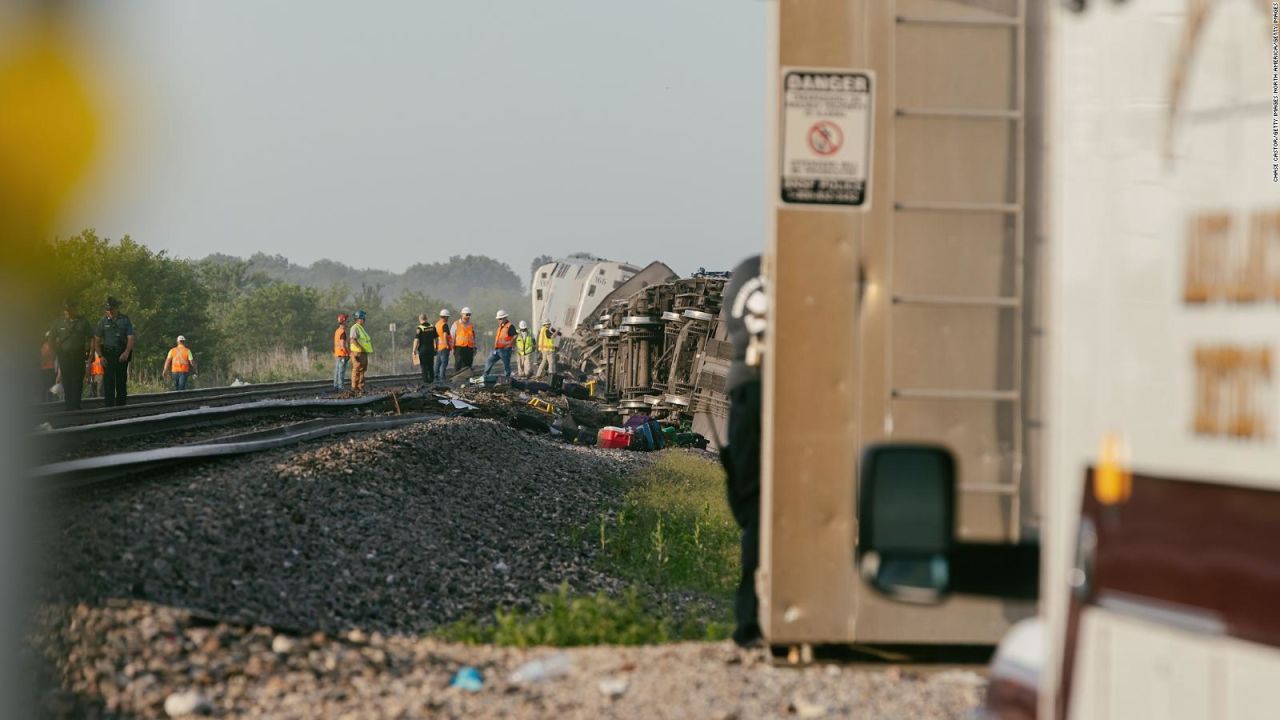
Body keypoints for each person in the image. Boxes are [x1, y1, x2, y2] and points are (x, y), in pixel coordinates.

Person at [720, 255, 766, 648]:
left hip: (744, 387)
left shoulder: (744, 274)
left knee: (753, 511)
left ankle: (749, 620)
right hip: (796, 386)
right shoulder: (803, 271)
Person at [93, 296, 136, 407]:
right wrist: (100, 356)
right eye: (108, 310)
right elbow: (96, 341)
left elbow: (131, 338)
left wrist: (126, 352)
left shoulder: (125, 320)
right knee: (109, 382)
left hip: (121, 354)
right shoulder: (102, 322)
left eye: (111, 309)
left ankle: (121, 407)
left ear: (116, 308)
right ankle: (109, 407)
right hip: (108, 355)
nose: (110, 312)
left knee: (121, 382)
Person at [51, 301, 92, 410]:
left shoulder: (82, 322)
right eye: (66, 310)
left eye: (69, 310)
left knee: (77, 381)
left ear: (74, 309)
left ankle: (76, 405)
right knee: (67, 381)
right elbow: (51, 338)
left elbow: (91, 337)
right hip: (64, 357)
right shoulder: (58, 323)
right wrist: (56, 352)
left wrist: (89, 353)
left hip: (78, 356)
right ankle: (68, 405)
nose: (67, 312)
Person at [482, 309, 517, 379]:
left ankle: (507, 378)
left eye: (500, 319)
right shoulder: (500, 327)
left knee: (506, 365)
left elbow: (515, 336)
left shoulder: (510, 326)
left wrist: (511, 345)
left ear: (505, 318)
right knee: (489, 361)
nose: (499, 320)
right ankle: (485, 375)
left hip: (505, 350)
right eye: (498, 319)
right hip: (497, 349)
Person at [348, 309, 373, 391]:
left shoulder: (360, 328)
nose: (364, 319)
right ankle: (354, 387)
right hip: (357, 352)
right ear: (359, 318)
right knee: (357, 369)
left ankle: (360, 387)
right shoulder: (355, 328)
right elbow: (353, 340)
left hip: (362, 352)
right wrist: (360, 348)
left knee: (362, 370)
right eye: (363, 318)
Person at [412, 313, 439, 385]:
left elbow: (417, 340)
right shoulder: (432, 327)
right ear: (426, 318)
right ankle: (432, 381)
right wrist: (436, 347)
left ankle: (426, 381)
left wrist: (414, 350)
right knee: (430, 365)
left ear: (420, 319)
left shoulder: (419, 328)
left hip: (423, 349)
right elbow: (436, 339)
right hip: (431, 349)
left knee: (424, 366)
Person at [451, 307, 477, 374]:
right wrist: (452, 348)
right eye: (467, 314)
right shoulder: (456, 324)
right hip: (459, 348)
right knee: (458, 364)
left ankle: (466, 379)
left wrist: (474, 347)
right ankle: (456, 378)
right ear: (462, 314)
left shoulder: (471, 325)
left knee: (468, 364)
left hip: (469, 348)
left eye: (469, 315)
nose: (468, 316)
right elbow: (452, 337)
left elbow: (473, 337)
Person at [433, 309, 453, 382]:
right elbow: (445, 335)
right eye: (447, 317)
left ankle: (435, 378)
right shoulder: (444, 325)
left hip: (439, 347)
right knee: (444, 363)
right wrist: (447, 344)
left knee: (438, 363)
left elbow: (434, 337)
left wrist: (435, 346)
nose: (448, 319)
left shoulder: (437, 324)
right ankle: (442, 378)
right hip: (444, 347)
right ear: (445, 317)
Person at [333, 313, 350, 391]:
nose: (348, 322)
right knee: (341, 372)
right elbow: (343, 345)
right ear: (343, 322)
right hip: (342, 355)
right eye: (347, 321)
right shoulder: (342, 332)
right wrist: (349, 353)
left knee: (337, 371)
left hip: (337, 354)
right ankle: (340, 387)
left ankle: (336, 386)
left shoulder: (337, 331)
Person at [39, 332, 57, 401]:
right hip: (46, 368)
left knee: (49, 384)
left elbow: (53, 356)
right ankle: (45, 398)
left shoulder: (46, 346)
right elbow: (45, 355)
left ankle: (49, 398)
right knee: (47, 384)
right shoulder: (46, 346)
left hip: (49, 367)